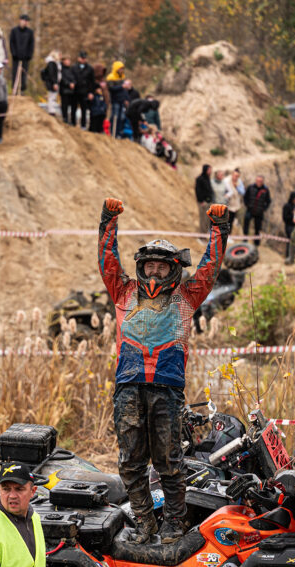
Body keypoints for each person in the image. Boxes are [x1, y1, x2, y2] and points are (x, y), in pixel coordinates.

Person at [98, 198, 231, 544]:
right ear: (141, 267)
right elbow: (108, 261)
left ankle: (175, 525)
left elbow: (210, 267)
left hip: (168, 389)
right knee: (130, 461)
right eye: (150, 266)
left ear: (173, 269)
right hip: (128, 386)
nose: (155, 272)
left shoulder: (189, 295)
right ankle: (145, 524)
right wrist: (108, 220)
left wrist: (219, 229)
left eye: (162, 267)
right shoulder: (123, 290)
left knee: (170, 462)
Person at [242, 175, 272, 246]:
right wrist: (247, 205)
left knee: (257, 228)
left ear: (263, 182)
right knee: (246, 224)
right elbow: (245, 197)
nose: (259, 182)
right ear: (255, 181)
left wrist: (264, 208)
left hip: (259, 212)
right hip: (250, 210)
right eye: (258, 181)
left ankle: (256, 243)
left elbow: (268, 201)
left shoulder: (265, 190)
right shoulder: (250, 187)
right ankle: (245, 239)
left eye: (260, 181)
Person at [8, 14, 34, 94]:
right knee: (15, 73)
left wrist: (29, 55)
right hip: (16, 56)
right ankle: (14, 88)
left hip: (25, 57)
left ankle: (22, 89)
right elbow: (11, 43)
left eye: (26, 21)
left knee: (24, 73)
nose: (25, 22)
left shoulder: (30, 32)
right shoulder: (14, 31)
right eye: (24, 21)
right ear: (20, 20)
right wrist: (14, 53)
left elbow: (31, 44)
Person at [71, 51, 95, 130]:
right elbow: (71, 78)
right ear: (79, 58)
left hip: (85, 91)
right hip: (75, 91)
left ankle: (83, 125)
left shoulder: (90, 68)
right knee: (73, 108)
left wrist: (91, 92)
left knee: (84, 109)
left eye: (84, 58)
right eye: (82, 58)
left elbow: (92, 82)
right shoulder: (74, 67)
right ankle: (73, 123)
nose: (83, 60)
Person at [106, 61, 127, 137]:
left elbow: (124, 90)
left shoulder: (122, 77)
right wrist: (121, 87)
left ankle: (118, 132)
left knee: (121, 118)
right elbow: (111, 88)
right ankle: (113, 132)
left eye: (122, 69)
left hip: (121, 100)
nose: (122, 70)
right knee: (115, 116)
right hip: (115, 100)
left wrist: (125, 98)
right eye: (120, 69)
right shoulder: (111, 77)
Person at [195, 164, 213, 235]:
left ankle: (205, 233)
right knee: (203, 219)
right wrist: (201, 201)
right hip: (203, 202)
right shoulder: (200, 179)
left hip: (208, 201)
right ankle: (201, 235)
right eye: (209, 170)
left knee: (207, 219)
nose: (210, 171)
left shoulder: (207, 178)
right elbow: (198, 191)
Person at [40, 51, 60, 115]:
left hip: (53, 83)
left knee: (53, 96)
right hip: (52, 83)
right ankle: (51, 110)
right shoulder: (51, 63)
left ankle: (52, 109)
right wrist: (55, 83)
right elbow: (52, 74)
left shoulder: (53, 63)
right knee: (52, 96)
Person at [57, 54, 75, 125]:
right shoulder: (61, 69)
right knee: (64, 105)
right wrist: (68, 84)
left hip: (71, 91)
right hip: (64, 90)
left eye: (69, 60)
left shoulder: (70, 69)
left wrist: (73, 83)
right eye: (67, 60)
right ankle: (65, 118)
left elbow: (73, 77)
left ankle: (69, 119)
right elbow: (62, 79)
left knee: (70, 106)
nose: (68, 62)